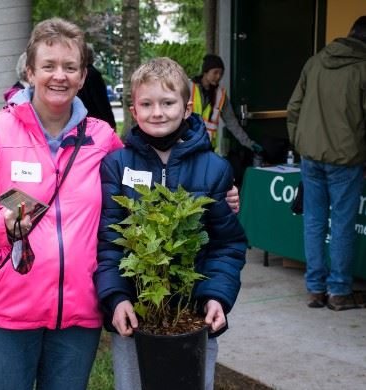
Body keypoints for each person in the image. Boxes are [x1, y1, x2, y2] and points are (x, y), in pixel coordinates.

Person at [0, 18, 123, 390]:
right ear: (30, 70)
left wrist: (219, 196)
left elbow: (140, 186)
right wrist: (1, 225)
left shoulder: (103, 139)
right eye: (49, 66)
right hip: (7, 312)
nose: (60, 76)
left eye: (70, 67)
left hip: (79, 314)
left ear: (83, 75)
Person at [95, 57, 247, 390]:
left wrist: (216, 297)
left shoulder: (214, 169)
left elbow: (227, 244)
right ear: (133, 111)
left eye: (167, 102)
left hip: (193, 316)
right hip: (136, 316)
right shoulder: (116, 166)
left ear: (188, 107)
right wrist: (116, 299)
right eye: (146, 104)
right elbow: (108, 243)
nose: (157, 112)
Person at [287, 16, 366, 311]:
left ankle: (315, 289)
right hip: (346, 160)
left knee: (314, 222)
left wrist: (300, 142)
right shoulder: (363, 67)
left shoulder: (316, 61)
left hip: (311, 157)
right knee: (343, 224)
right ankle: (338, 292)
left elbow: (294, 107)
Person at [192, 54, 263, 186]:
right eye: (215, 72)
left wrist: (249, 143)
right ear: (205, 71)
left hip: (207, 148)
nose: (218, 76)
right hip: (188, 145)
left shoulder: (220, 95)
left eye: (221, 73)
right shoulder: (189, 89)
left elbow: (232, 123)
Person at [77, 44, 117, 129]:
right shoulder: (93, 75)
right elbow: (101, 102)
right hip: (96, 122)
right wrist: (111, 123)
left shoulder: (78, 74)